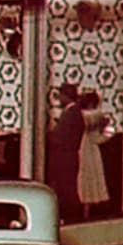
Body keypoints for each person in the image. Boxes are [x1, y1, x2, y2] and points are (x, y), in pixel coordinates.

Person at [76, 90, 115, 217]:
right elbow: (97, 138)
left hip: (79, 150)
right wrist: (109, 132)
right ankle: (88, 214)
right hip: (91, 152)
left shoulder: (78, 115)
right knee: (91, 182)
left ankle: (82, 213)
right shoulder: (95, 116)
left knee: (82, 182)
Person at [49, 83, 83, 220]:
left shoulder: (71, 113)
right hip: (67, 157)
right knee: (66, 188)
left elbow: (63, 137)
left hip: (66, 157)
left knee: (67, 189)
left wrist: (49, 136)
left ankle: (71, 218)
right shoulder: (72, 112)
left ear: (65, 96)